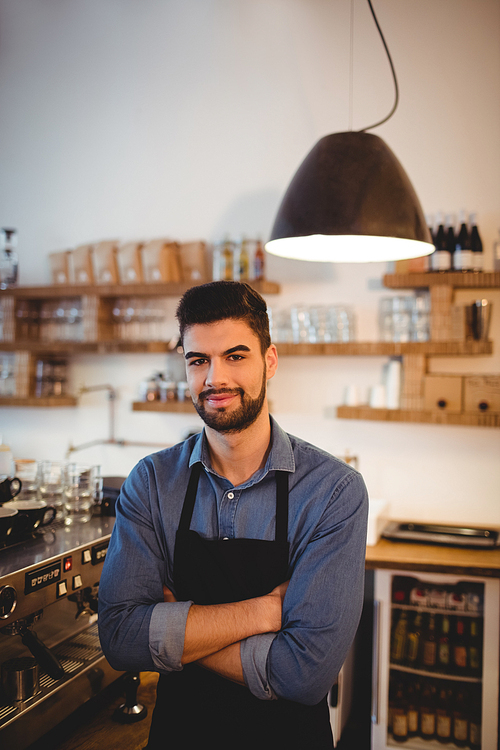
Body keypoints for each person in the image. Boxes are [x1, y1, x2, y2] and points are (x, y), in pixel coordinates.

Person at [98, 280, 368, 749]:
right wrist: (264, 612)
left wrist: (172, 630)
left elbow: (304, 674)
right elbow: (120, 637)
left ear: (270, 361)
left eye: (235, 356)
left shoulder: (332, 491)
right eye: (198, 360)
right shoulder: (152, 481)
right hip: (179, 736)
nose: (214, 379)